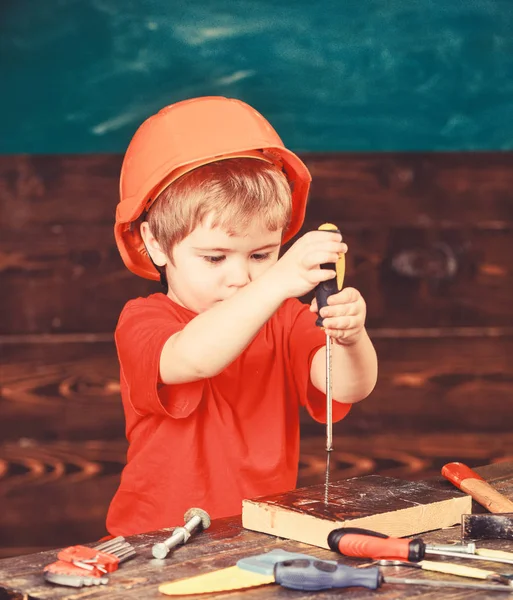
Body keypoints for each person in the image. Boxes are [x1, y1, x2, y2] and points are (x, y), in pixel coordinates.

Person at [108, 96, 377, 536]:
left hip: (256, 535)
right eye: (215, 258)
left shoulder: (285, 318)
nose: (241, 277)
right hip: (151, 539)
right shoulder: (142, 321)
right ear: (156, 244)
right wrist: (277, 279)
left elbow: (345, 386)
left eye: (261, 254)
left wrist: (351, 338)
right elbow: (194, 357)